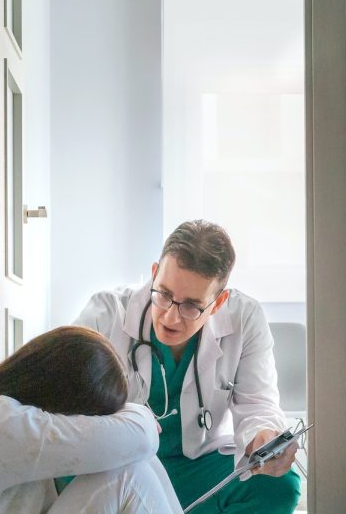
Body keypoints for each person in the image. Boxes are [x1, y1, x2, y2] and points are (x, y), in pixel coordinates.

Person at [74, 220, 301, 514]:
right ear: (154, 274)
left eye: (191, 306)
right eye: (164, 295)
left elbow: (259, 405)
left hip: (195, 468)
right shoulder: (105, 314)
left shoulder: (245, 319)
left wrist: (264, 437)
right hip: (120, 467)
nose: (170, 317)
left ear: (218, 303)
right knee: (60, 472)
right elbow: (66, 406)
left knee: (280, 486)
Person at [0, 326, 182, 514]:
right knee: (127, 474)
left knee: (137, 462)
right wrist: (140, 413)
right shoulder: (0, 424)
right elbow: (140, 438)